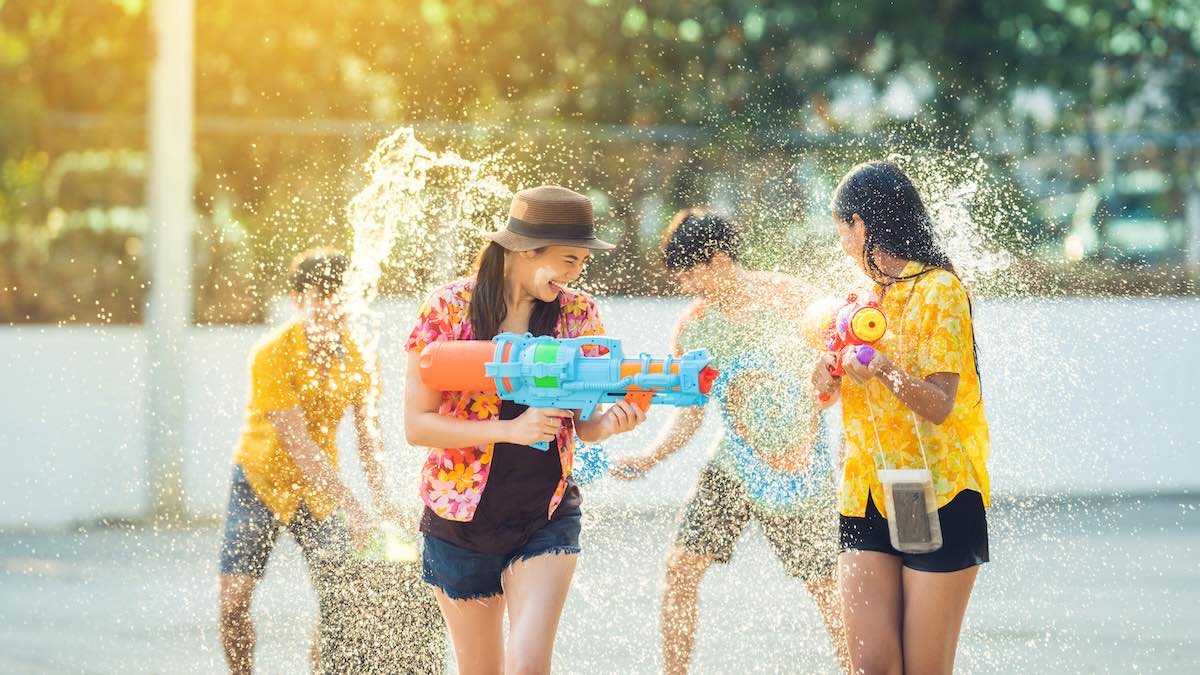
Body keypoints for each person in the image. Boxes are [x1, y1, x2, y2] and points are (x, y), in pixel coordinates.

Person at [403, 185, 647, 675]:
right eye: (567, 259)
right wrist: (510, 429)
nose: (575, 273)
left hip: (546, 513)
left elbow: (583, 426)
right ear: (522, 250)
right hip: (459, 519)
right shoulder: (449, 307)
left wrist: (610, 425)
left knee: (529, 666)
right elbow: (417, 426)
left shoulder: (579, 312)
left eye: (582, 261)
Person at [612, 209, 848, 674]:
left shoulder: (795, 300)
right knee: (680, 570)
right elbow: (692, 411)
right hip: (732, 466)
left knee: (827, 587)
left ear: (720, 260)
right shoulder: (693, 328)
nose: (687, 287)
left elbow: (842, 376)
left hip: (800, 474)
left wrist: (847, 443)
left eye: (692, 273)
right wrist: (651, 456)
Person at [812, 161, 991, 675]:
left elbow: (939, 404)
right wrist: (824, 377)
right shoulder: (860, 302)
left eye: (842, 229)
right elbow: (825, 396)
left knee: (924, 670)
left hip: (937, 493)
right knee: (871, 667)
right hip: (866, 492)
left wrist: (884, 368)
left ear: (862, 225)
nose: (841, 244)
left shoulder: (941, 290)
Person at [217, 248, 404, 674]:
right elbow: (298, 445)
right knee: (234, 598)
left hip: (318, 491)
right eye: (319, 295)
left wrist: (383, 500)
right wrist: (354, 508)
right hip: (259, 480)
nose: (329, 306)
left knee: (340, 596)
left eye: (339, 296)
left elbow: (370, 439)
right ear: (296, 298)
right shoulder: (273, 352)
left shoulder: (360, 355)